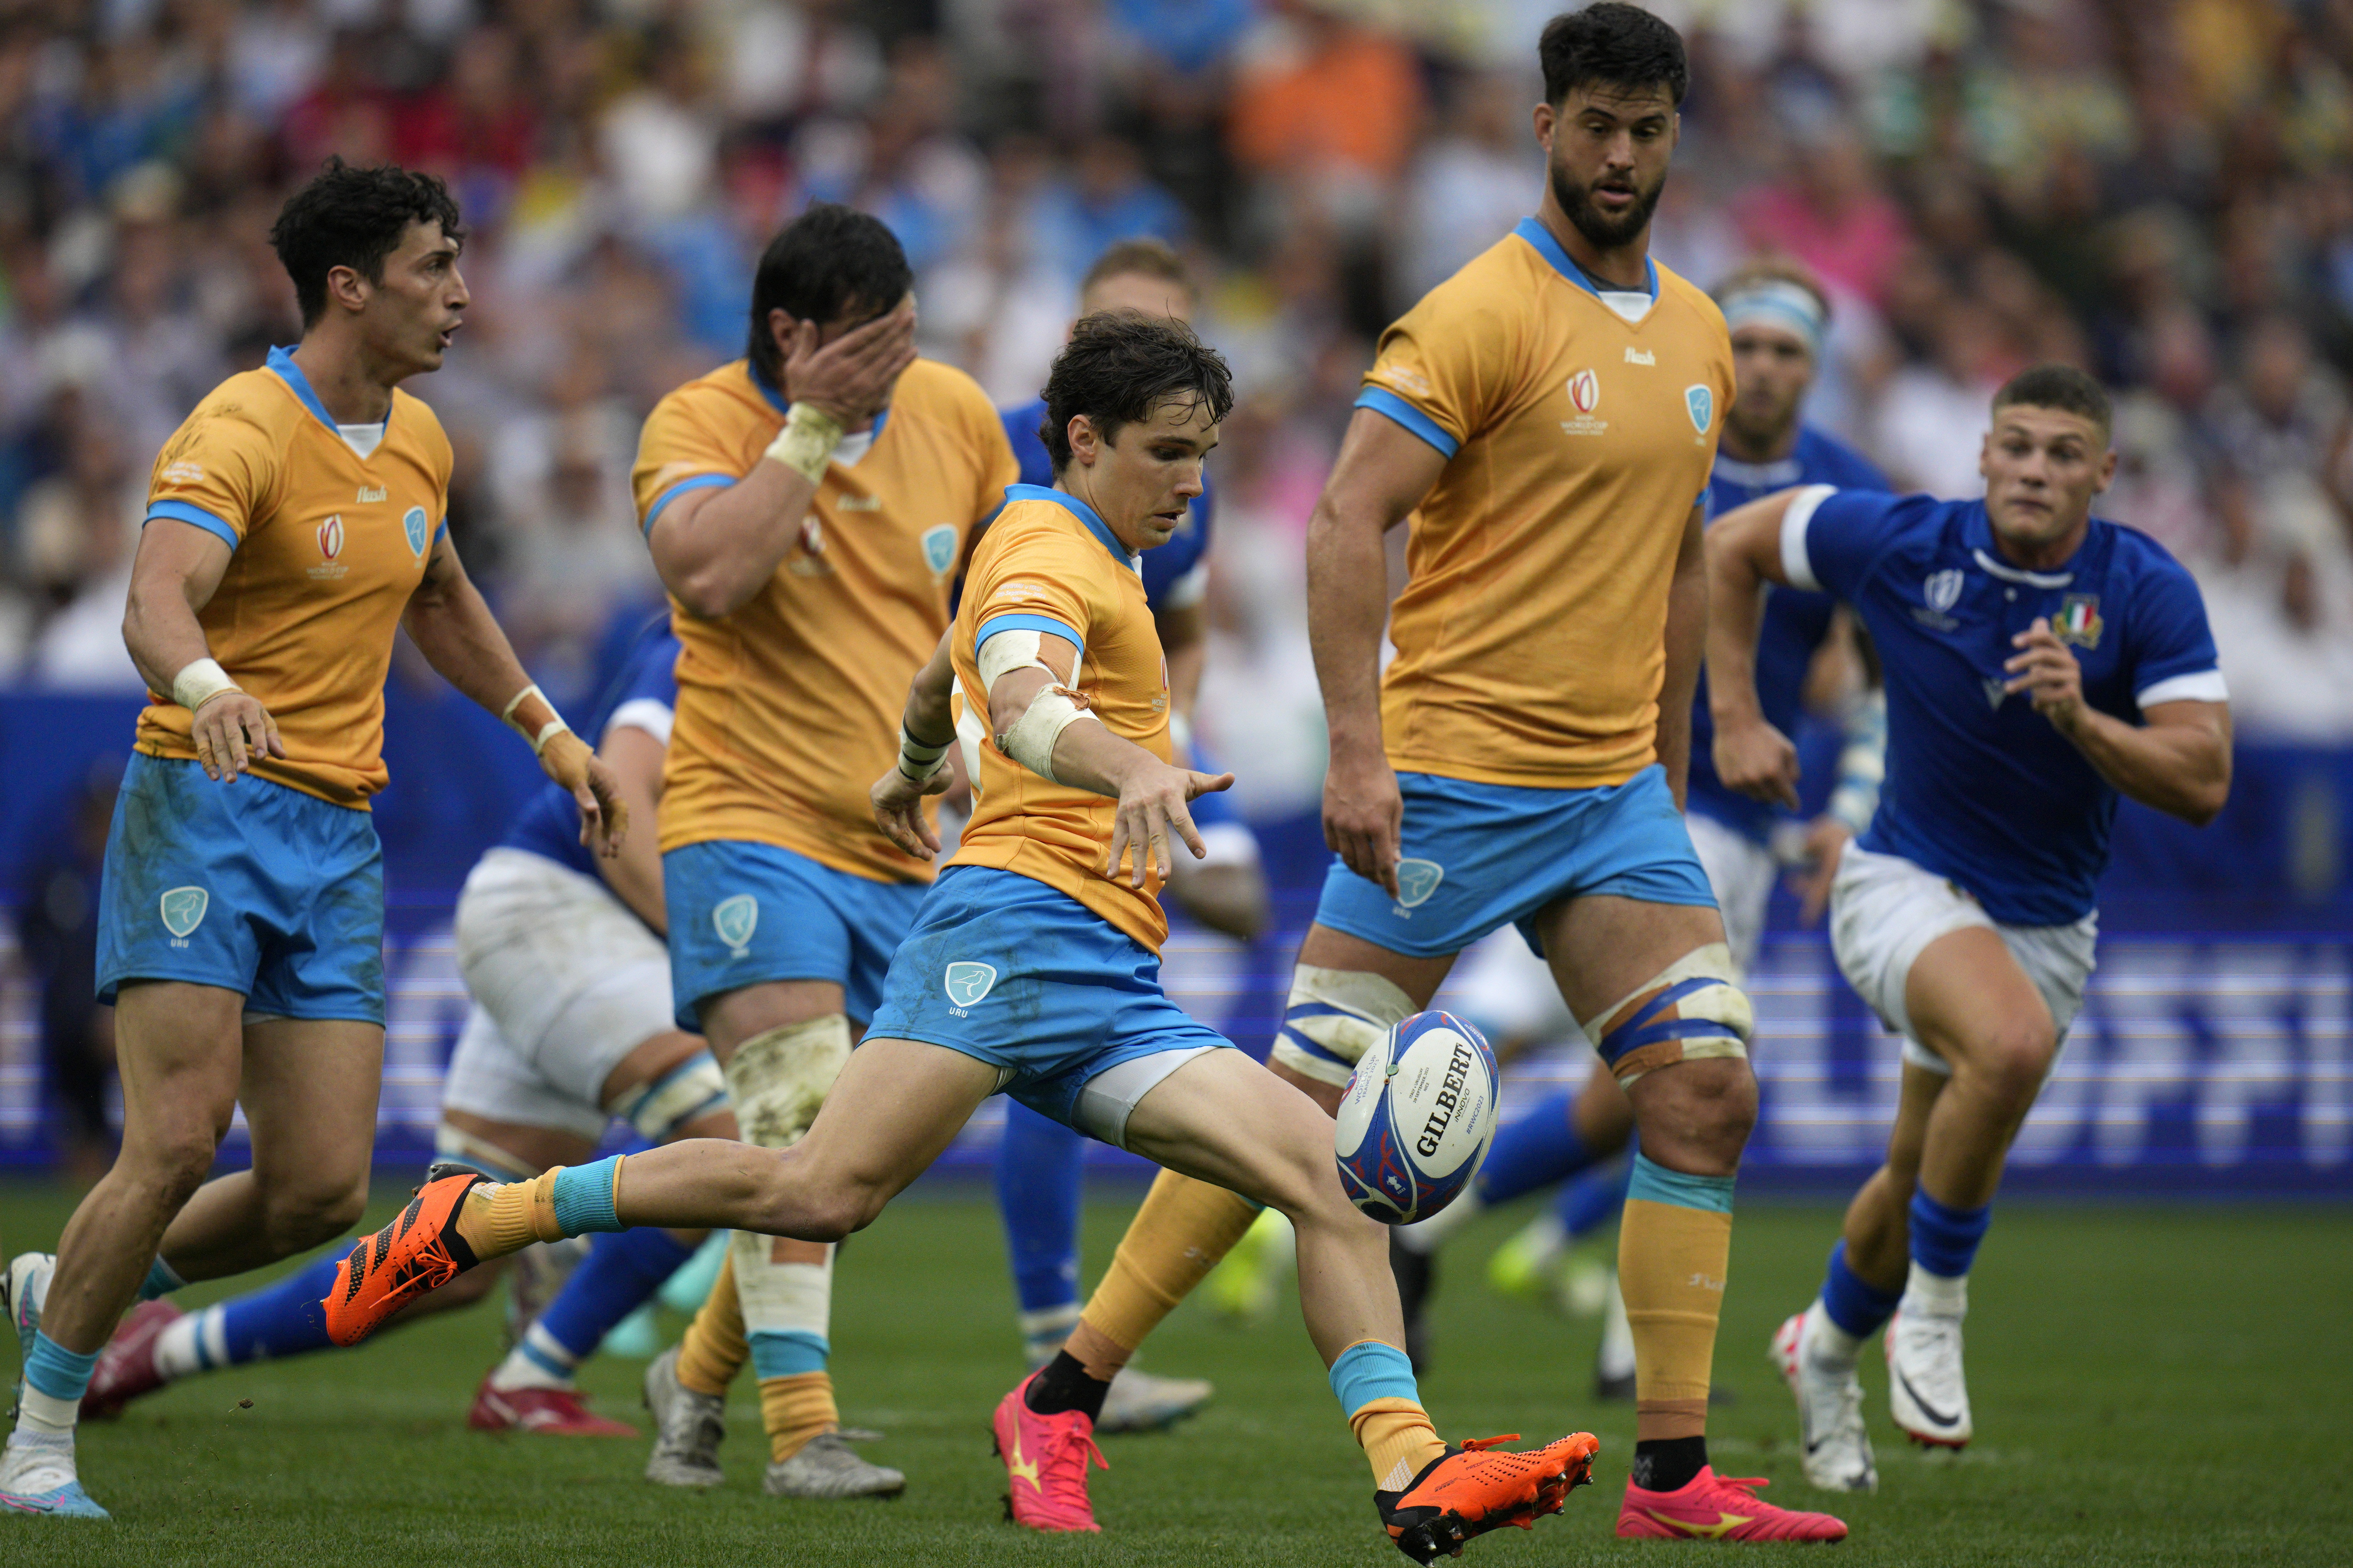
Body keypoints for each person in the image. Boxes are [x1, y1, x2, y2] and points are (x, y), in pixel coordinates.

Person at [319, 312, 1601, 1565]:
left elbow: (953, 670)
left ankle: (1412, 1467)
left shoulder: (1080, 543)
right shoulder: (1049, 546)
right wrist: (1127, 766)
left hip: (1102, 974)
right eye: (1166, 451)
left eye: (1204, 455)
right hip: (1008, 939)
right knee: (816, 1188)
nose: (1190, 483)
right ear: (1084, 439)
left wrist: (912, 764)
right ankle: (481, 1214)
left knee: (1328, 1181)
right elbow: (1031, 693)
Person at [1028, 8, 1848, 1543]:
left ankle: (1665, 1477)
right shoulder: (1471, 313)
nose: (1618, 156)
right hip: (1450, 781)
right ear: (1541, 126)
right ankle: (1064, 1390)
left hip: (1609, 799)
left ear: (1676, 138)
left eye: (1645, 130)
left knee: (1701, 1093)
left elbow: (1676, 556)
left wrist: (1664, 766)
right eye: (1592, 124)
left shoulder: (1692, 335)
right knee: (1289, 1115)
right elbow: (1345, 521)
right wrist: (1355, 744)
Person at [0, 159, 626, 1522]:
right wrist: (212, 689)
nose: (463, 296)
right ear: (350, 286)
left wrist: (549, 727)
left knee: (316, 1190)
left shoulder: (420, 438)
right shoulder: (240, 427)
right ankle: (38, 1436)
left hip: (337, 830)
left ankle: (77, 1283)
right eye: (434, 268)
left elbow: (443, 591)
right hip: (202, 805)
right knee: (174, 1137)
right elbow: (157, 597)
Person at [1706, 365, 2231, 1492]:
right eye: (2016, 446)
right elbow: (1727, 544)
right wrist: (1739, 712)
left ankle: (1825, 1349)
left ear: (2103, 471)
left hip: (2043, 922)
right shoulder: (1901, 541)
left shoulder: (2143, 588)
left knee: (1910, 1175)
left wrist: (2080, 719)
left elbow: (2200, 780)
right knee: (2008, 1047)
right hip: (1895, 878)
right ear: (1981, 456)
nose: (2034, 469)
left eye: (2060, 453)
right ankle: (1933, 1314)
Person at [1387, 257, 1894, 1396]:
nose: (1762, 368)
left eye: (1786, 352)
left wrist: (1849, 810)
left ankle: (1445, 1238)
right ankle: (1414, 1220)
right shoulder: (1659, 428)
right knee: (1667, 1066)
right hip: (1607, 785)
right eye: (1748, 345)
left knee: (1654, 1086)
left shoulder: (1843, 491)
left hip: (1728, 819)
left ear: (1814, 368)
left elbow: (1882, 681)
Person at [71, 621, 731, 1442]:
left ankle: (154, 1348)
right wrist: (718, 965)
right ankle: (537, 1374)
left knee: (450, 1253)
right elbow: (620, 791)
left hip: (565, 928)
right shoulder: (710, 646)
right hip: (565, 916)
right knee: (738, 1135)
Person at [625, 203, 1016, 1500]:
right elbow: (711, 578)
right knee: (795, 1106)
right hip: (746, 821)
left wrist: (965, 732)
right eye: (862, 353)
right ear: (791, 335)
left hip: (899, 839)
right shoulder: (694, 425)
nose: (887, 382)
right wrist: (809, 423)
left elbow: (999, 590)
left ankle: (692, 1371)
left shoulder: (954, 413)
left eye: (903, 349)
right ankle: (804, 1433)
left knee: (846, 1170)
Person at [990, 237, 1258, 1432]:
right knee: (817, 1164)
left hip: (1107, 772)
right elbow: (987, 644)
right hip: (1001, 794)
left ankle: (1069, 1355)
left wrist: (1164, 720)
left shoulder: (1176, 477)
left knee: (825, 1161)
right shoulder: (1008, 464)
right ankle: (506, 1236)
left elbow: (1182, 620)